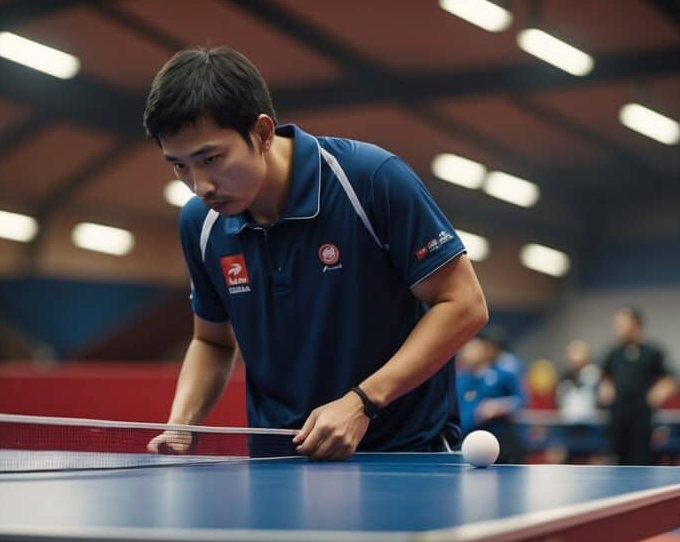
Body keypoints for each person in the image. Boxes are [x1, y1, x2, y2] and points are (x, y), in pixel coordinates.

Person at [143, 47, 488, 460]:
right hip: (277, 461)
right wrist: (181, 424)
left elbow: (464, 303)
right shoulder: (200, 224)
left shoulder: (370, 180)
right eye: (179, 166)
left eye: (211, 158)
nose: (200, 186)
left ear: (263, 133)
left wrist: (362, 402)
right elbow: (213, 341)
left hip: (403, 454)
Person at [599, 307, 678, 465]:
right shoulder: (613, 353)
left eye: (621, 323)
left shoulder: (652, 352)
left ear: (635, 324)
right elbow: (605, 378)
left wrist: (659, 392)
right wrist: (605, 388)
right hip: (618, 417)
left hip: (642, 418)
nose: (617, 327)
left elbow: (670, 380)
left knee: (641, 460)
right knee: (617, 461)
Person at [455, 329, 526, 463]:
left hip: (501, 440)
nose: (467, 352)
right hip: (467, 442)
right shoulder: (460, 379)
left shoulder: (505, 375)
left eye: (474, 347)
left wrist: (498, 406)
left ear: (486, 349)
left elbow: (520, 400)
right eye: (466, 348)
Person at [556, 340, 601, 424]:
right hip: (568, 422)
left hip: (590, 422)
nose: (576, 362)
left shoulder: (593, 374)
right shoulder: (564, 377)